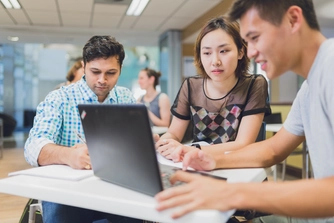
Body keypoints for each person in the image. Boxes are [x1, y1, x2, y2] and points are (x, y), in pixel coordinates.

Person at [155, 1, 334, 223]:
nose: (250, 52)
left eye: (255, 37)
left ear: (293, 20)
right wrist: (210, 160)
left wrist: (234, 193)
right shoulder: (308, 88)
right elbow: (272, 150)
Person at [24, 36, 141, 223]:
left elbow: (135, 145)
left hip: (114, 186)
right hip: (65, 190)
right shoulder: (59, 98)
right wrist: (68, 156)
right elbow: (33, 147)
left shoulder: (125, 97)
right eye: (95, 72)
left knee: (136, 214)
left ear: (120, 70)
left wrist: (144, 142)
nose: (102, 80)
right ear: (84, 66)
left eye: (111, 73)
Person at [155, 16, 271, 161]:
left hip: (238, 165)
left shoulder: (254, 84)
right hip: (197, 164)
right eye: (207, 53)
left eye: (223, 51)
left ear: (241, 52)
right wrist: (165, 142)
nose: (215, 61)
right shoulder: (191, 86)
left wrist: (192, 149)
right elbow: (174, 133)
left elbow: (243, 143)